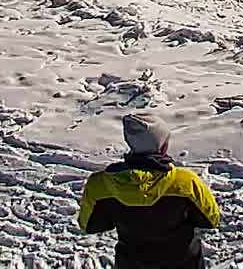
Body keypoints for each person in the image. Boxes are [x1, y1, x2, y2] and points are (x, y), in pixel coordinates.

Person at [79, 113, 222, 269]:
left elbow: (89, 225)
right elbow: (211, 220)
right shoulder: (185, 182)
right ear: (163, 147)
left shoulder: (100, 184)